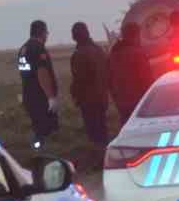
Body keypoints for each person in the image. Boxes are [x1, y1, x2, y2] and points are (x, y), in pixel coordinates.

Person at [69, 22, 111, 156]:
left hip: (88, 99)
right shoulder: (98, 50)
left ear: (75, 36)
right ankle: (106, 155)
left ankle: (98, 158)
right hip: (102, 97)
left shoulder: (80, 54)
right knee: (102, 129)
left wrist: (75, 94)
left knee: (94, 133)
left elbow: (80, 79)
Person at [16, 20, 59, 150]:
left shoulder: (23, 49)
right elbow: (42, 73)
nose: (47, 36)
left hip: (29, 95)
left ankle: (36, 151)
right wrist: (50, 97)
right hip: (40, 98)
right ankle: (44, 155)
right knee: (46, 131)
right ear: (42, 33)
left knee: (37, 128)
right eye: (46, 33)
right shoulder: (38, 48)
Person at [108, 21, 154, 123]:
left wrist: (115, 97)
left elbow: (109, 78)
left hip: (121, 101)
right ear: (136, 35)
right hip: (138, 101)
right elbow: (147, 79)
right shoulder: (137, 53)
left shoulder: (113, 53)